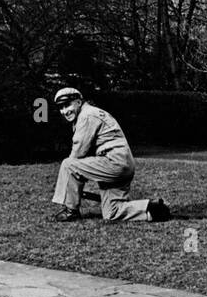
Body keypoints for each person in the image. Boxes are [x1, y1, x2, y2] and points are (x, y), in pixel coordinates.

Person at [50, 87, 170, 223]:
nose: (65, 111)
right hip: (121, 164)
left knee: (68, 165)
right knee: (112, 212)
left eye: (67, 105)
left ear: (78, 102)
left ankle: (71, 211)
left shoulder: (87, 115)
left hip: (113, 162)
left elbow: (78, 152)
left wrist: (70, 182)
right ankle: (151, 210)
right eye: (61, 107)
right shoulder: (91, 113)